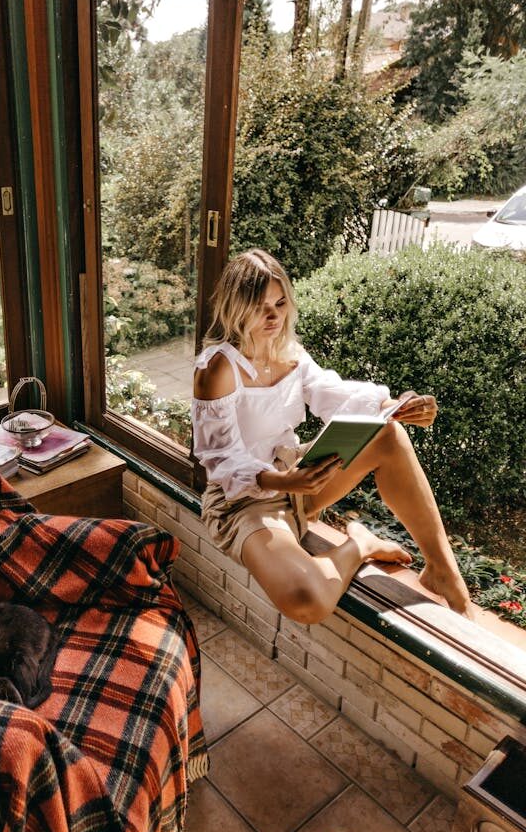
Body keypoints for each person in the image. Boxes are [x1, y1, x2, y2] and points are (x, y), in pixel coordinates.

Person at [192, 249, 474, 625]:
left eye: (280, 302)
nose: (274, 316)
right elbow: (220, 459)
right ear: (235, 307)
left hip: (297, 480)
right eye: (261, 307)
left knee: (389, 432)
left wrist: (399, 403)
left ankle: (442, 569)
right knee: (307, 601)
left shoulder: (289, 353)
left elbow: (334, 393)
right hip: (244, 501)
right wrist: (282, 480)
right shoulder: (218, 368)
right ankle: (360, 544)